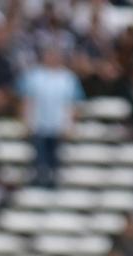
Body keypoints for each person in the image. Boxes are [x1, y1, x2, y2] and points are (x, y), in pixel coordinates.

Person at [19, 48, 83, 188]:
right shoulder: (34, 75)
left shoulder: (68, 78)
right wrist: (26, 122)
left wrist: (70, 125)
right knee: (39, 156)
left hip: (58, 125)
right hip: (38, 124)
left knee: (56, 157)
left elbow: (73, 103)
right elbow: (26, 100)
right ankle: (39, 180)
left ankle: (53, 182)